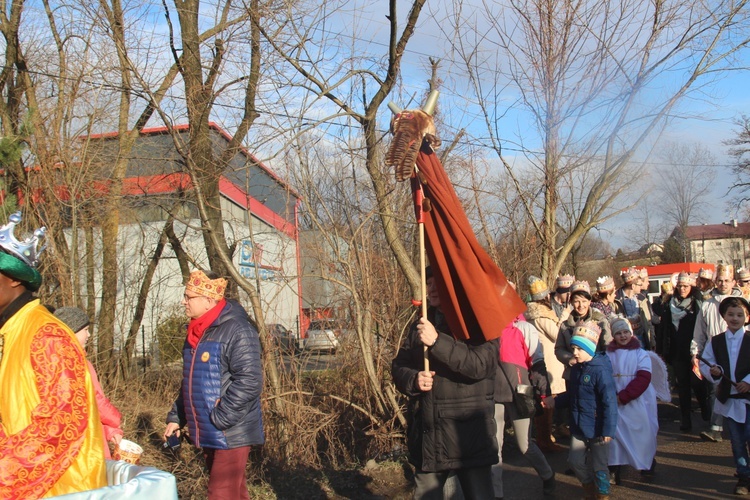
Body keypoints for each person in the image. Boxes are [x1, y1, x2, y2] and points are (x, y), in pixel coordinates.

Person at [0, 212, 107, 498]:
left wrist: (5, 472)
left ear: (13, 279)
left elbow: (61, 424)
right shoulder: (12, 332)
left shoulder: (47, 335)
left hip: (61, 489)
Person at [392, 268, 498, 499]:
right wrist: (413, 378)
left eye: (437, 283)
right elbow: (399, 365)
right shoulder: (420, 323)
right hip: (429, 437)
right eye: (428, 283)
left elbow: (480, 365)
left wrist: (438, 342)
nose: (431, 288)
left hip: (468, 438)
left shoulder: (478, 321)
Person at [164, 269, 264, 500]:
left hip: (230, 430)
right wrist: (177, 418)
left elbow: (250, 381)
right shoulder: (196, 333)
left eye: (189, 297)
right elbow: (190, 382)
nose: (183, 301)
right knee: (234, 494)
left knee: (220, 495)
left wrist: (221, 417)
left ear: (209, 300)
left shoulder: (237, 329)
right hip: (210, 429)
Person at [492, 314, 556, 499]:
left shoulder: (524, 328)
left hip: (520, 393)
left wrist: (544, 392)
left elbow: (537, 362)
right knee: (494, 446)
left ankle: (547, 475)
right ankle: (497, 494)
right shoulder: (488, 328)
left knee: (525, 445)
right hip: (494, 394)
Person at [553, 320, 618, 500]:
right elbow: (572, 394)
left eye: (579, 349)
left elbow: (609, 402)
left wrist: (608, 430)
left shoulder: (600, 371)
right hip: (578, 425)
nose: (574, 353)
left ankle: (603, 494)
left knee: (600, 466)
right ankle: (589, 487)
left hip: (598, 428)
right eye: (573, 348)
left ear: (589, 349)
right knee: (574, 461)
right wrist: (555, 401)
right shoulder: (576, 369)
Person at [54, 306, 124, 459]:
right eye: (85, 330)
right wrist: (115, 419)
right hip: (87, 451)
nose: (89, 335)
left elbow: (86, 415)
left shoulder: (56, 361)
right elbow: (95, 401)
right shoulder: (76, 364)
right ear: (70, 331)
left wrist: (108, 431)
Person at [699, 296, 750, 495]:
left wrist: (747, 381)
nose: (735, 318)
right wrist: (714, 371)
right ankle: (743, 477)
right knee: (737, 441)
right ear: (724, 317)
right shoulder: (716, 341)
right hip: (730, 400)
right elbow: (706, 362)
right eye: (731, 314)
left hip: (748, 399)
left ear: (747, 317)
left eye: (740, 314)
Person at [693, 264, 741, 442]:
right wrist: (695, 351)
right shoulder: (707, 305)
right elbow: (699, 331)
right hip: (716, 351)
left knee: (740, 389)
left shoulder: (742, 303)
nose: (723, 284)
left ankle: (739, 426)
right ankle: (715, 428)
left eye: (727, 280)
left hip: (739, 351)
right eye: (719, 280)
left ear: (733, 282)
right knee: (716, 389)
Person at [606, 317, 658, 485]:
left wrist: (625, 396)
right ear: (613, 336)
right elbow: (604, 376)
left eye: (626, 332)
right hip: (614, 400)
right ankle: (614, 468)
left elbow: (644, 377)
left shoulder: (640, 353)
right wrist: (613, 396)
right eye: (619, 333)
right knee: (615, 436)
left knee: (642, 433)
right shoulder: (608, 354)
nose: (623, 336)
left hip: (637, 400)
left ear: (631, 333)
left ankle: (646, 463)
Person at [658, 271, 708, 432]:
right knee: (683, 387)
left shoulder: (697, 303)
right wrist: (663, 350)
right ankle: (686, 419)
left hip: (694, 351)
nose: (682, 289)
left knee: (698, 383)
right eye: (679, 286)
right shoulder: (669, 304)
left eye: (685, 286)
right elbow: (664, 329)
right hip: (677, 352)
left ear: (691, 286)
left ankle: (706, 410)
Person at [525, 275, 566, 451]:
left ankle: (546, 437)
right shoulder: (543, 317)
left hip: (542, 362)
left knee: (545, 403)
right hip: (550, 364)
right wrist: (563, 319)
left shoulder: (531, 316)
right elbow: (558, 336)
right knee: (547, 403)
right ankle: (545, 440)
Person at [555, 280, 612, 382]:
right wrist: (570, 358)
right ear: (571, 302)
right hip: (573, 374)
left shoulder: (600, 321)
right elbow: (559, 349)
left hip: (597, 373)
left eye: (584, 301)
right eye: (577, 301)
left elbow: (608, 347)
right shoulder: (565, 326)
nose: (581, 305)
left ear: (590, 301)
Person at [615, 267, 654, 350]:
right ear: (633, 286)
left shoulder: (642, 299)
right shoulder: (616, 299)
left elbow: (648, 322)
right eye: (639, 285)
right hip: (624, 340)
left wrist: (652, 341)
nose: (641, 287)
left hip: (641, 339)